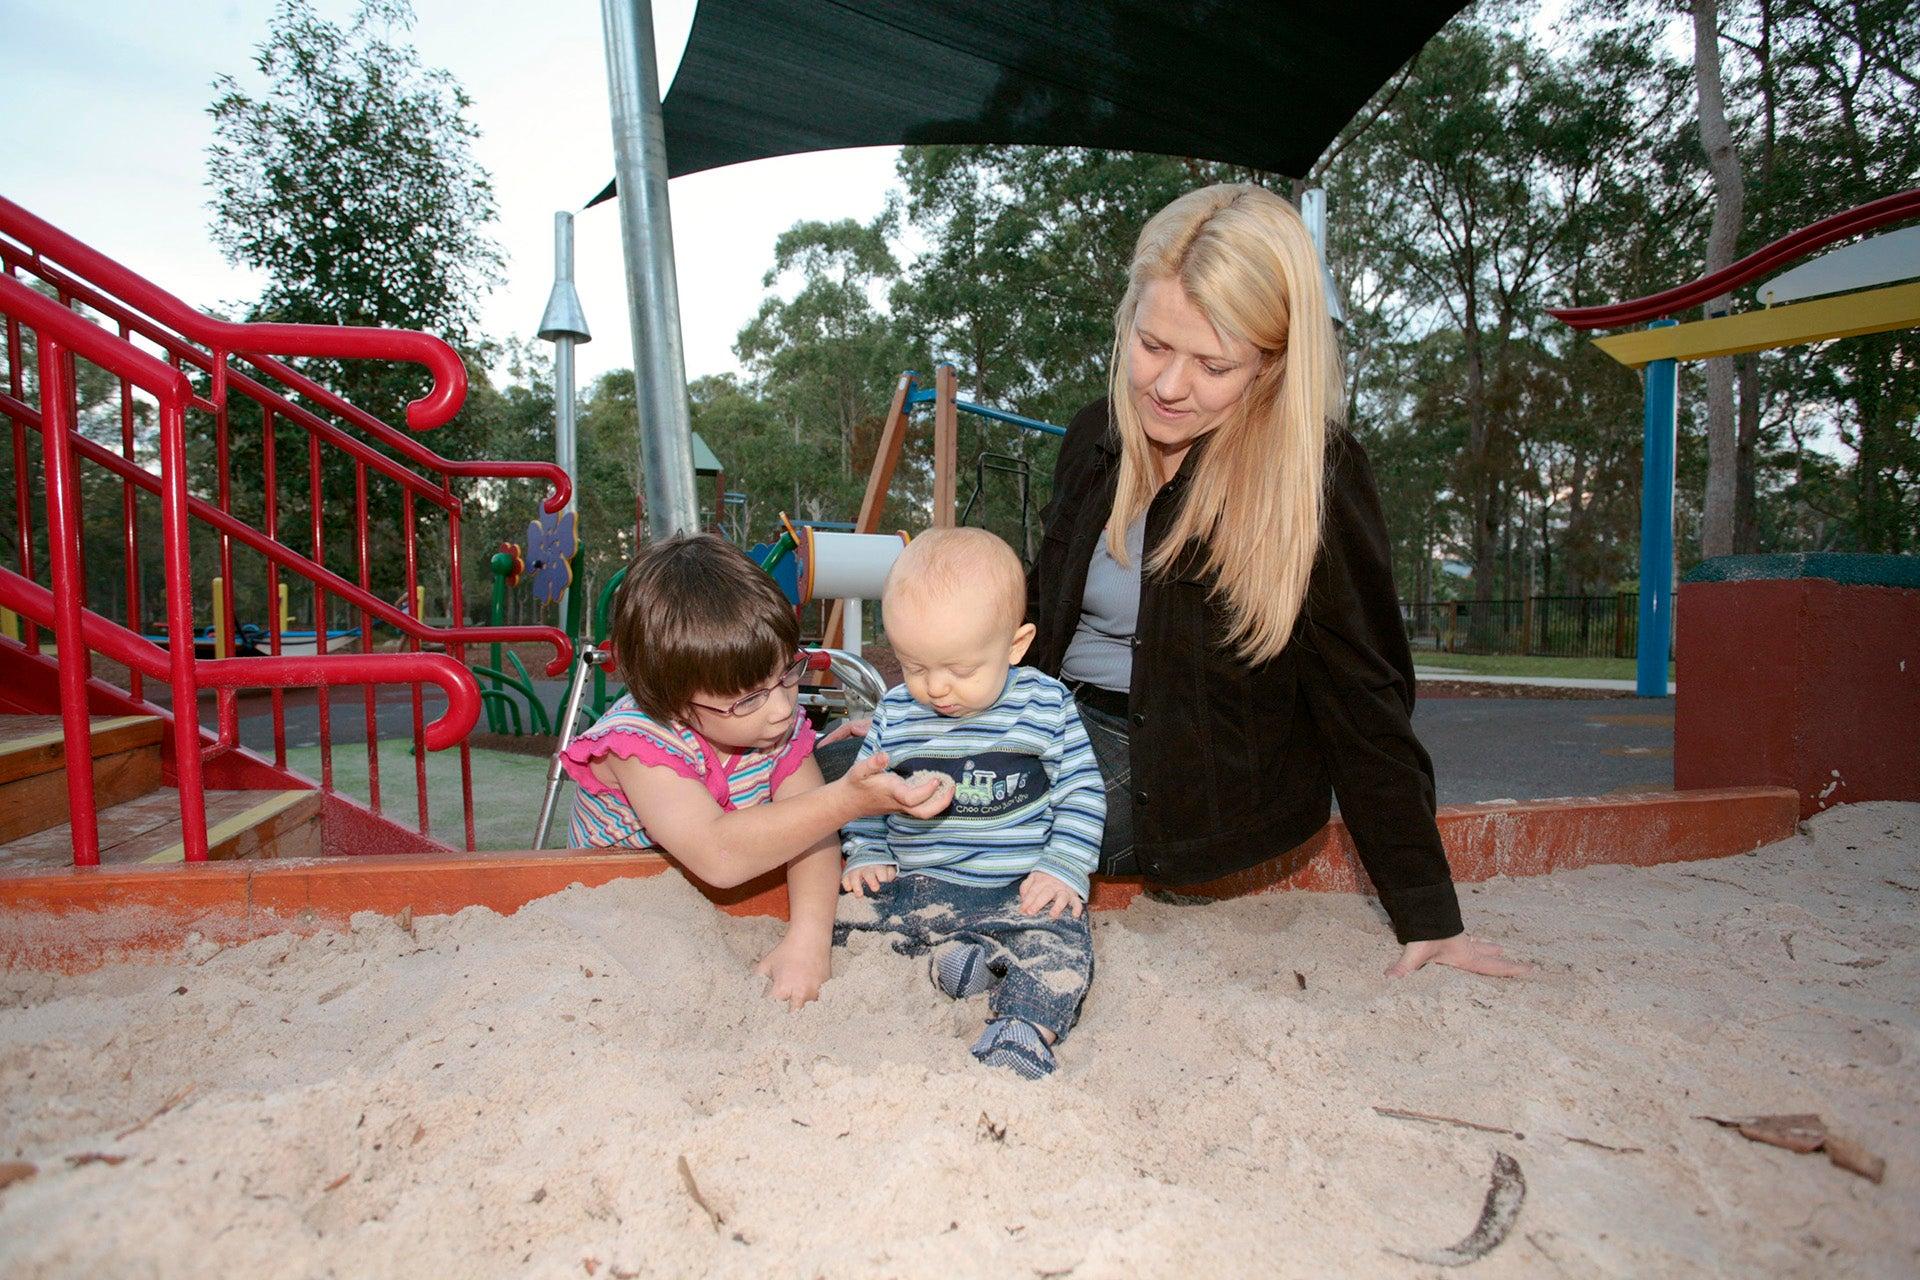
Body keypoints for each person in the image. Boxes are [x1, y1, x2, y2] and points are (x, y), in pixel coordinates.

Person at [1026, 182, 1523, 979]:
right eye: (1153, 345)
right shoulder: (1096, 435)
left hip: (1174, 783)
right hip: (1047, 720)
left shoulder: (1313, 478)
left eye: (1214, 363)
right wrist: (929, 717)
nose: (1169, 385)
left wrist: (1427, 911)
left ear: (1274, 361)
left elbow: (1366, 696)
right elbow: (1034, 613)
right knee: (865, 766)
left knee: (953, 805)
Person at [561, 533, 951, 1010]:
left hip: (723, 898)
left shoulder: (774, 730)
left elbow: (811, 826)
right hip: (612, 912)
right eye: (748, 698)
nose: (782, 708)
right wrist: (848, 799)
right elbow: (718, 855)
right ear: (673, 700)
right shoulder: (638, 743)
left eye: (788, 673)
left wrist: (808, 940)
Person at [835, 528, 1106, 1079]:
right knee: (849, 923)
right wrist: (864, 851)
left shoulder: (1046, 707)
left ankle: (1023, 1029)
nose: (935, 688)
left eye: (960, 670)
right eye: (914, 667)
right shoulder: (895, 712)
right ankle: (958, 966)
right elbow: (863, 793)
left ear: (1015, 645)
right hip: (917, 885)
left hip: (1016, 891)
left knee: (1062, 949)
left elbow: (1082, 789)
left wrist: (1063, 867)